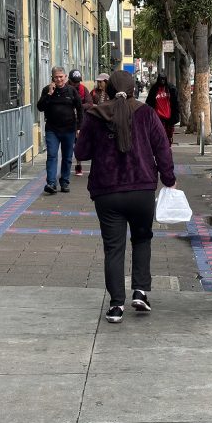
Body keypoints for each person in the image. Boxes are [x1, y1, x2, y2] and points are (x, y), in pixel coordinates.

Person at [74, 70, 176, 323]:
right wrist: (169, 179)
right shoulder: (146, 113)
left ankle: (116, 305)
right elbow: (162, 148)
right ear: (133, 89)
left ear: (106, 89)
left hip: (107, 192)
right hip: (141, 190)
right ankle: (140, 291)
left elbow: (82, 152)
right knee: (142, 239)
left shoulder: (94, 115)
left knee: (113, 248)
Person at [37, 67, 83, 194]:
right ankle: (51, 183)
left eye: (61, 77)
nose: (59, 79)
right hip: (52, 130)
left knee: (67, 157)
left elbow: (80, 109)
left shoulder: (71, 91)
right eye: (56, 77)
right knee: (52, 155)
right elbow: (40, 107)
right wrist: (49, 94)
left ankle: (64, 182)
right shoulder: (47, 90)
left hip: (69, 129)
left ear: (65, 77)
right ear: (52, 78)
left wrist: (79, 127)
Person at [68, 69, 93, 176]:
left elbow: (90, 103)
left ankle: (78, 165)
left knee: (78, 144)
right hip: (67, 121)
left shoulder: (83, 89)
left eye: (78, 81)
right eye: (74, 82)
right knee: (68, 146)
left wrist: (79, 107)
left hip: (79, 122)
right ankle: (66, 167)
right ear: (69, 80)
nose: (77, 84)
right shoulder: (65, 89)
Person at [145, 74, 179, 145]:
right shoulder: (154, 89)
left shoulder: (171, 89)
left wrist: (176, 113)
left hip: (169, 115)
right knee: (159, 132)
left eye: (164, 79)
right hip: (158, 115)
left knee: (168, 132)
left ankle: (167, 143)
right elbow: (149, 101)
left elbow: (175, 102)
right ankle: (162, 145)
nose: (162, 81)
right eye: (161, 79)